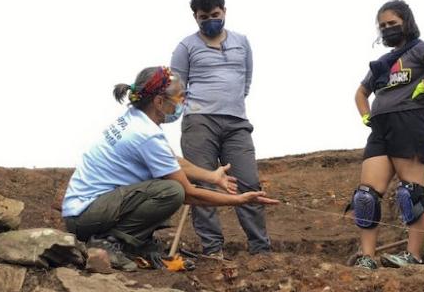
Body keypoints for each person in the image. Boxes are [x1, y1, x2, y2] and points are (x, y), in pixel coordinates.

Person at [61, 65, 277, 270]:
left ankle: (133, 242)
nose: (182, 103)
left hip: (85, 209)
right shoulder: (146, 135)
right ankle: (110, 242)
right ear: (158, 101)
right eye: (178, 98)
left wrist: (212, 176)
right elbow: (190, 195)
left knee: (166, 181)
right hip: (85, 216)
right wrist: (238, 200)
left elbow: (171, 161)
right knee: (172, 191)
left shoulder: (135, 119)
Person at [351, 0, 424, 269]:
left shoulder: (420, 49)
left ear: (406, 23)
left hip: (410, 121)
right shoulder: (381, 64)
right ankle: (367, 257)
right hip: (380, 127)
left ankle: (413, 256)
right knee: (365, 197)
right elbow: (360, 93)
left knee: (410, 193)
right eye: (383, 26)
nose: (388, 29)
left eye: (392, 24)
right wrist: (366, 114)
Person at [170, 0, 271, 258]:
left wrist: (230, 102)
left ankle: (261, 250)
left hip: (237, 122)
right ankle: (213, 250)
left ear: (224, 11)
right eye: (204, 17)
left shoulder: (242, 42)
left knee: (248, 182)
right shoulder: (186, 47)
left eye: (215, 14)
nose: (210, 20)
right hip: (199, 122)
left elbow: (245, 81)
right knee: (202, 186)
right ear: (195, 17)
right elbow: (176, 89)